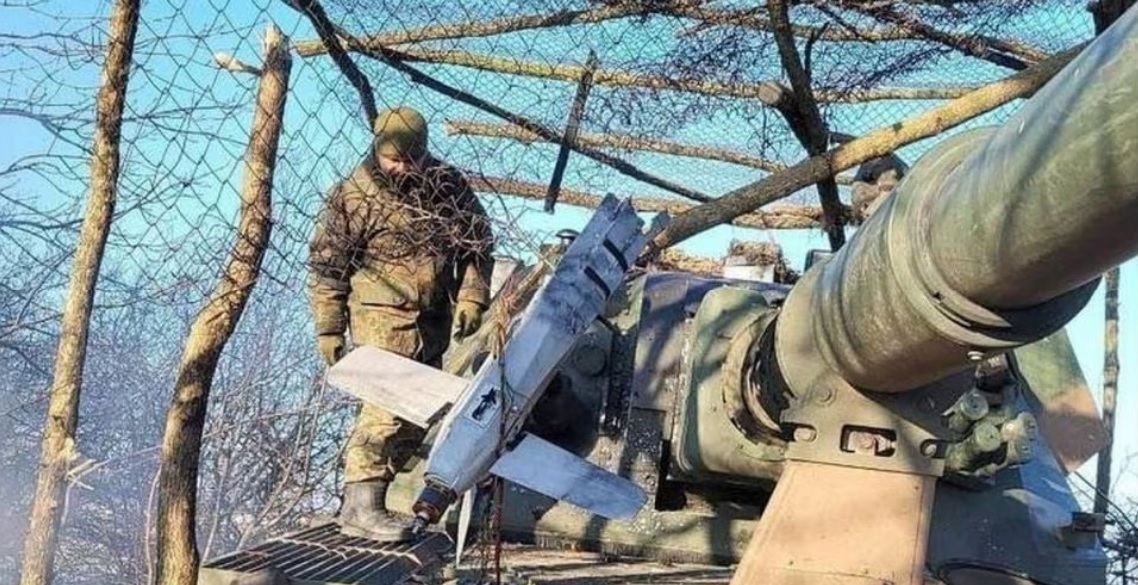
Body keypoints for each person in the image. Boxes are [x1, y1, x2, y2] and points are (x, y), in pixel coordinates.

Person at [307, 106, 494, 540]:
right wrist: (329, 328)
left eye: (412, 159)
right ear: (378, 150)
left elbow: (477, 243)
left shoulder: (447, 186)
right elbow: (327, 268)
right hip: (380, 319)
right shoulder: (353, 196)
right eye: (394, 160)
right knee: (384, 411)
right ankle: (361, 504)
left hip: (432, 321)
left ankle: (377, 503)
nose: (402, 168)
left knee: (417, 416)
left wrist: (471, 296)